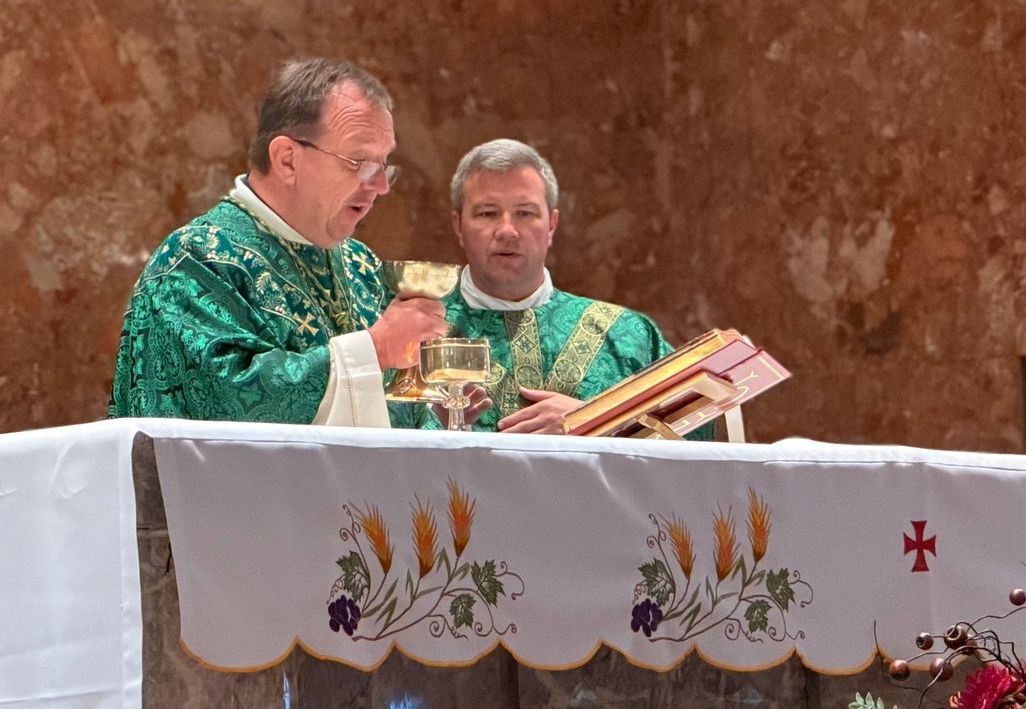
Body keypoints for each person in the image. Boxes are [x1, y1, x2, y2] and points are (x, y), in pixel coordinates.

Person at [110, 58, 484, 427]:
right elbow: (226, 403)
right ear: (287, 160)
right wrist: (376, 349)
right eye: (359, 162)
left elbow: (380, 420)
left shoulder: (362, 267)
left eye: (384, 164)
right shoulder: (196, 261)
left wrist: (433, 420)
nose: (381, 186)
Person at [444, 138, 696, 436]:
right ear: (459, 226)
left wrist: (594, 420)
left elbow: (694, 431)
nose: (507, 231)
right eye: (488, 213)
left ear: (551, 224)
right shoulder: (414, 337)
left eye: (525, 213)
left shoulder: (628, 336)